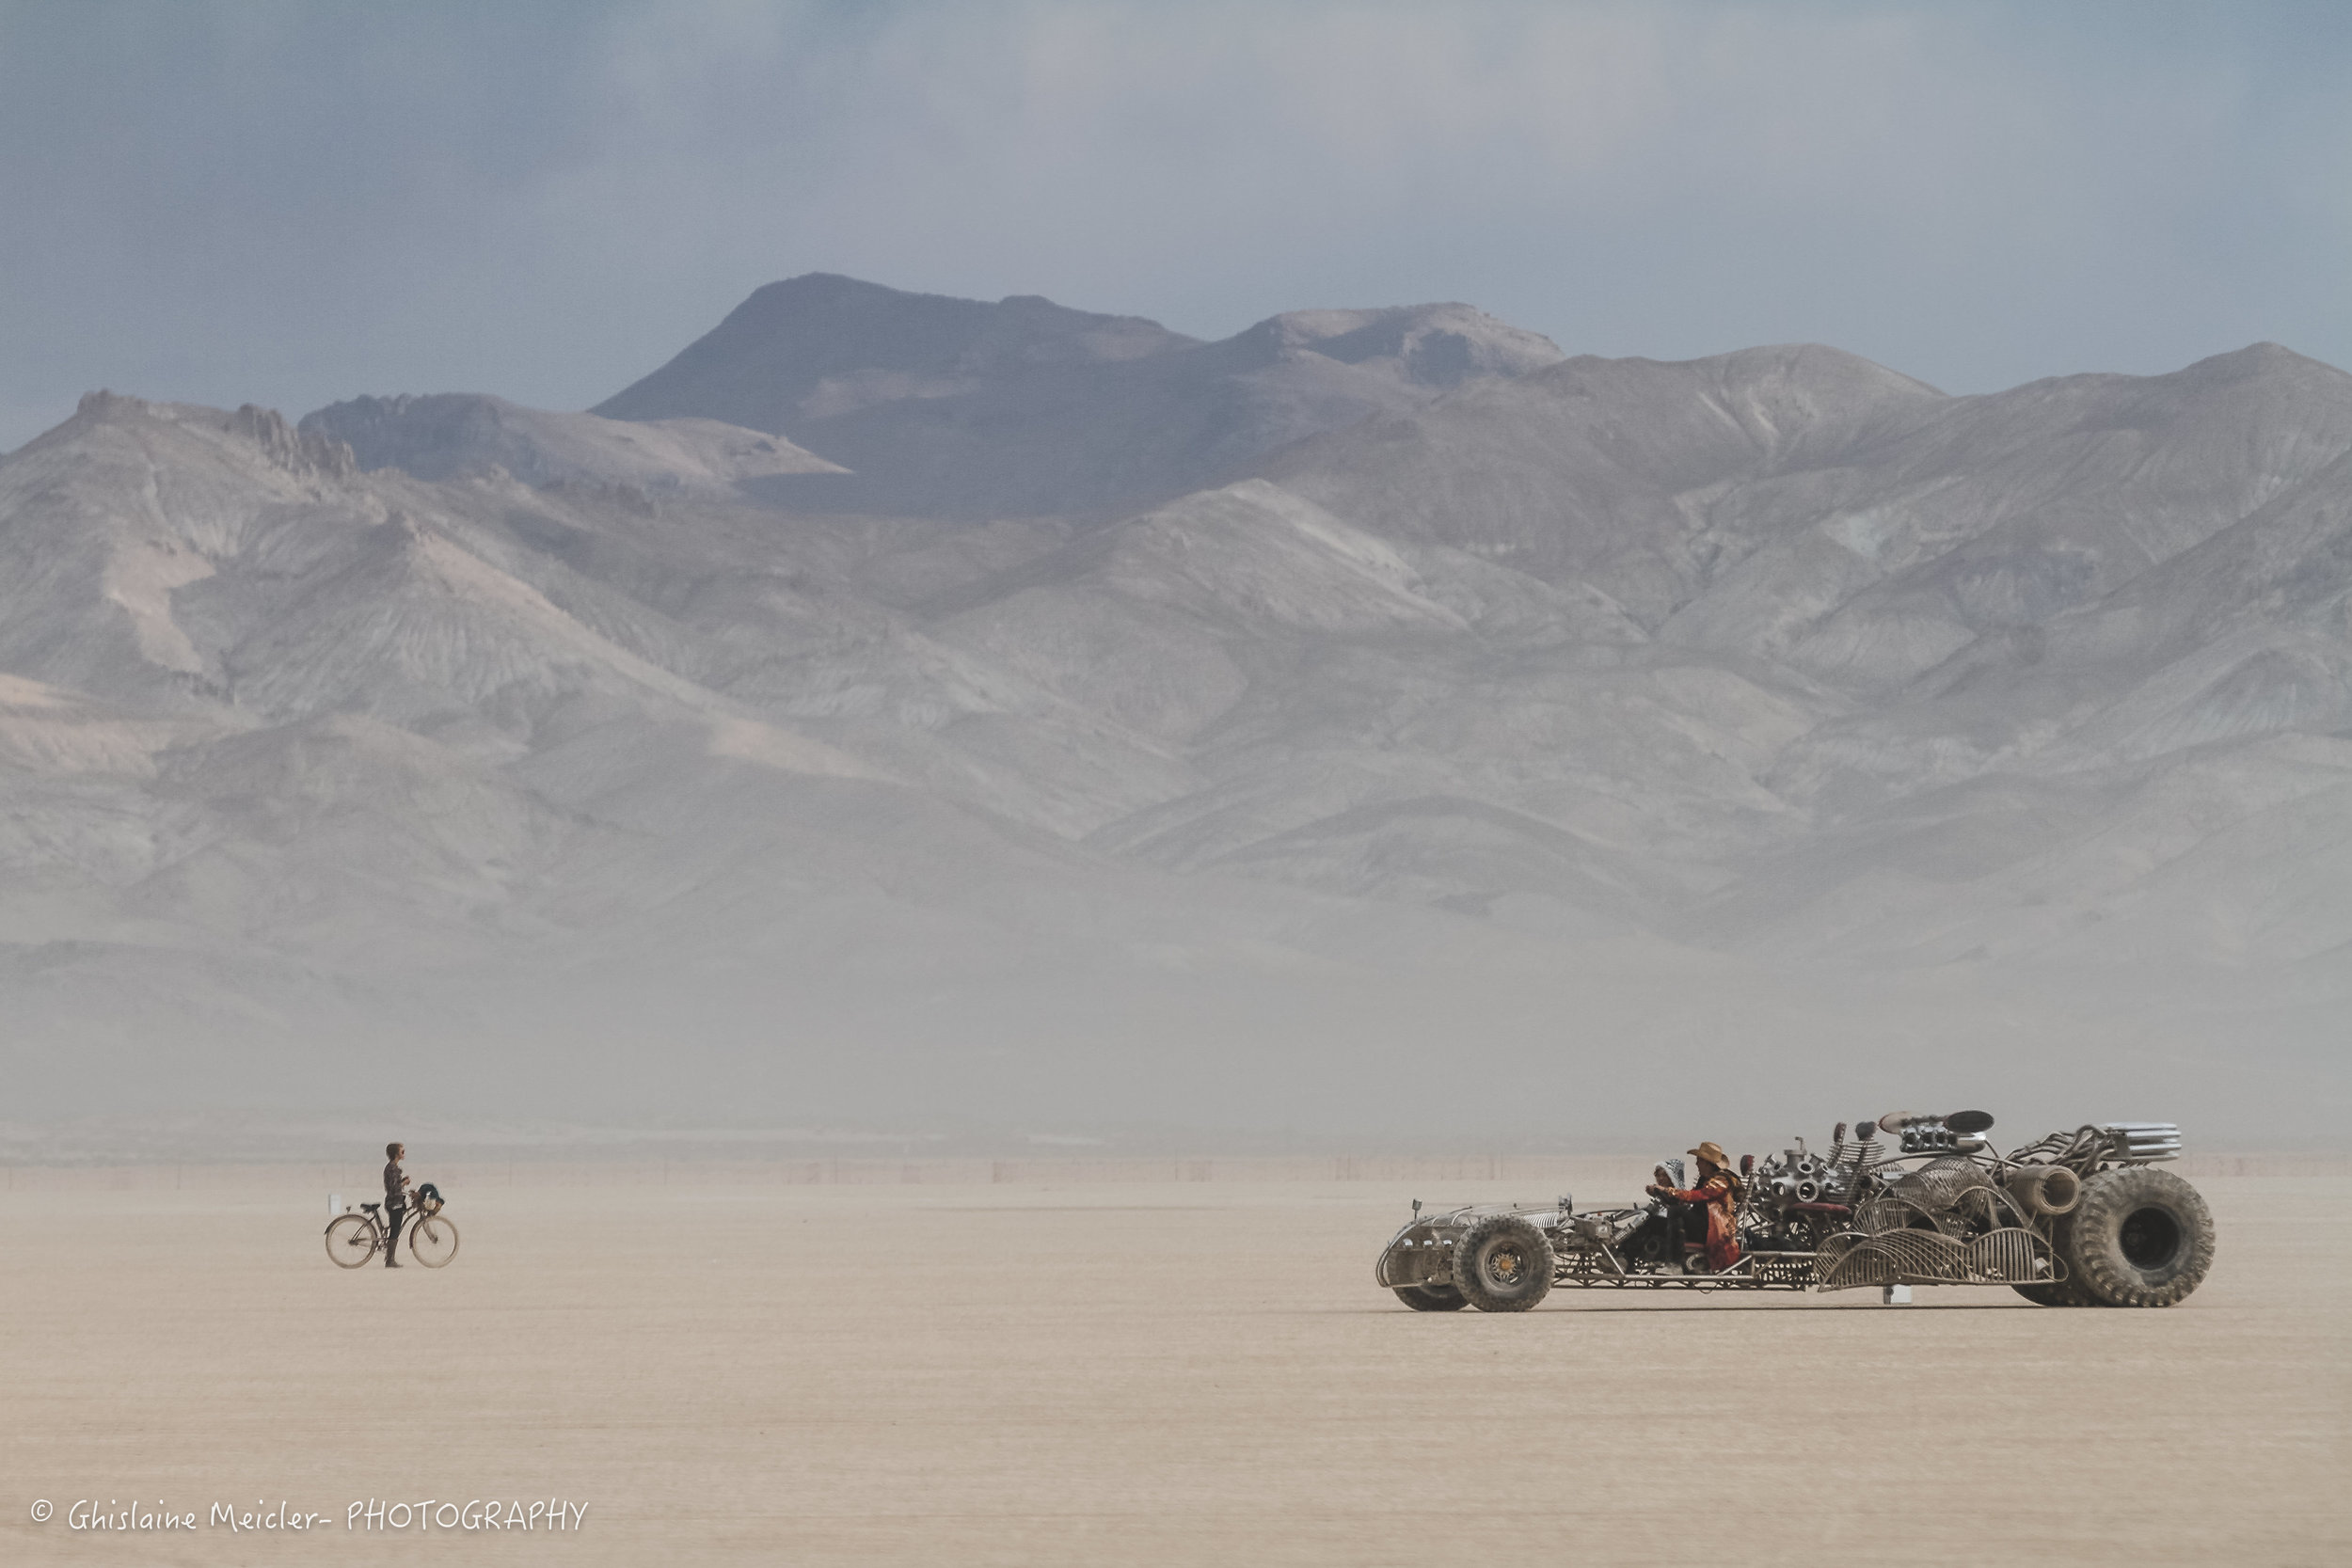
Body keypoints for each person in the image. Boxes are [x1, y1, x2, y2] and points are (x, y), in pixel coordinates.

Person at [1647, 1140, 1743, 1274]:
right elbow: (1690, 1200)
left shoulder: (1721, 1181)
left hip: (1713, 1230)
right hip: (1701, 1224)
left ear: (1707, 1163)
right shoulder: (1704, 1179)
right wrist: (1665, 1196)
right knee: (1653, 1221)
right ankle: (1625, 1258)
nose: (1696, 1163)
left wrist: (1668, 1191)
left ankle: (1674, 1264)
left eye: (1699, 1160)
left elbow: (1699, 1196)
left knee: (1676, 1212)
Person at [382, 1142, 411, 1269]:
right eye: (402, 1152)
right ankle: (390, 1260)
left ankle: (389, 1257)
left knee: (395, 1228)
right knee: (395, 1230)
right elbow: (394, 1188)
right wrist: (403, 1182)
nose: (404, 1154)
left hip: (394, 1202)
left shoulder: (391, 1167)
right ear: (396, 1154)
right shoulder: (392, 1168)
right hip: (394, 1203)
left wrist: (402, 1181)